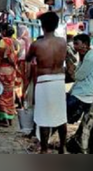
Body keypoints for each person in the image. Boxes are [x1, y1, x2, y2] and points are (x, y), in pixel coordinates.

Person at [26, 12, 67, 154]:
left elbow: (27, 58)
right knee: (61, 116)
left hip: (44, 81)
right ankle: (62, 146)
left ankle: (44, 149)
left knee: (43, 116)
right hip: (59, 80)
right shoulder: (63, 42)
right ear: (56, 25)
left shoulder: (37, 44)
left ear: (42, 26)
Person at [67, 34, 93, 126]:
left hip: (84, 94)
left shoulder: (90, 58)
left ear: (85, 44)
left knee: (62, 116)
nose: (74, 46)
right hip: (82, 92)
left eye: (76, 43)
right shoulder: (85, 56)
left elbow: (78, 77)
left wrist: (71, 69)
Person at [0, 24, 18, 127]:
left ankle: (4, 119)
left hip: (3, 70)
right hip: (12, 71)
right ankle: (10, 116)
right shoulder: (15, 42)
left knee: (1, 94)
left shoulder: (3, 41)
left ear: (3, 31)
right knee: (9, 93)